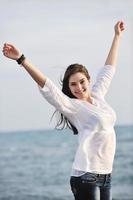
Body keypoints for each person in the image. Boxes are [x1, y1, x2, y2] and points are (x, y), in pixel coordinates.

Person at [2, 21, 125, 200]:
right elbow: (48, 86)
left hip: (106, 176)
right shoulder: (73, 107)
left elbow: (108, 70)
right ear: (69, 88)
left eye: (81, 81)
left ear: (88, 80)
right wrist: (21, 59)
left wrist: (117, 36)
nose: (79, 87)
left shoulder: (98, 96)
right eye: (73, 84)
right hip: (86, 176)